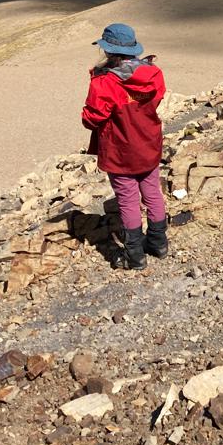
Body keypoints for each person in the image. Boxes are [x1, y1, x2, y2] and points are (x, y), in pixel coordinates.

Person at [82, 23, 167, 271]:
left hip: (120, 151)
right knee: (152, 192)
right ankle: (159, 245)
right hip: (148, 144)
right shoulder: (153, 74)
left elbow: (92, 118)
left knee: (128, 200)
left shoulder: (106, 82)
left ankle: (135, 257)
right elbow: (157, 98)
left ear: (108, 51)